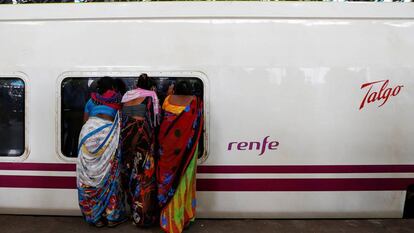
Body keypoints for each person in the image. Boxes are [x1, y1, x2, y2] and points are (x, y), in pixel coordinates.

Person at [76, 76, 127, 228]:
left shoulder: (90, 101)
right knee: (111, 175)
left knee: (89, 174)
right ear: (112, 87)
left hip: (87, 134)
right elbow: (122, 119)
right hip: (107, 135)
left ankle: (95, 217)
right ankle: (112, 216)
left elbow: (85, 121)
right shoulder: (117, 99)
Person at [157, 80, 204, 233]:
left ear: (175, 89)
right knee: (185, 181)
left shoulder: (167, 100)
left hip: (168, 147)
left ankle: (169, 220)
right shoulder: (196, 102)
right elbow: (198, 124)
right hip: (187, 150)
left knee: (169, 181)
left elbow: (164, 119)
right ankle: (184, 217)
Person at [120, 73, 160, 227]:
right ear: (151, 86)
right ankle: (142, 216)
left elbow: (123, 118)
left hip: (126, 139)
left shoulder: (127, 96)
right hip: (142, 140)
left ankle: (132, 211)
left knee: (130, 174)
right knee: (143, 177)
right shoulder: (151, 96)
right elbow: (154, 120)